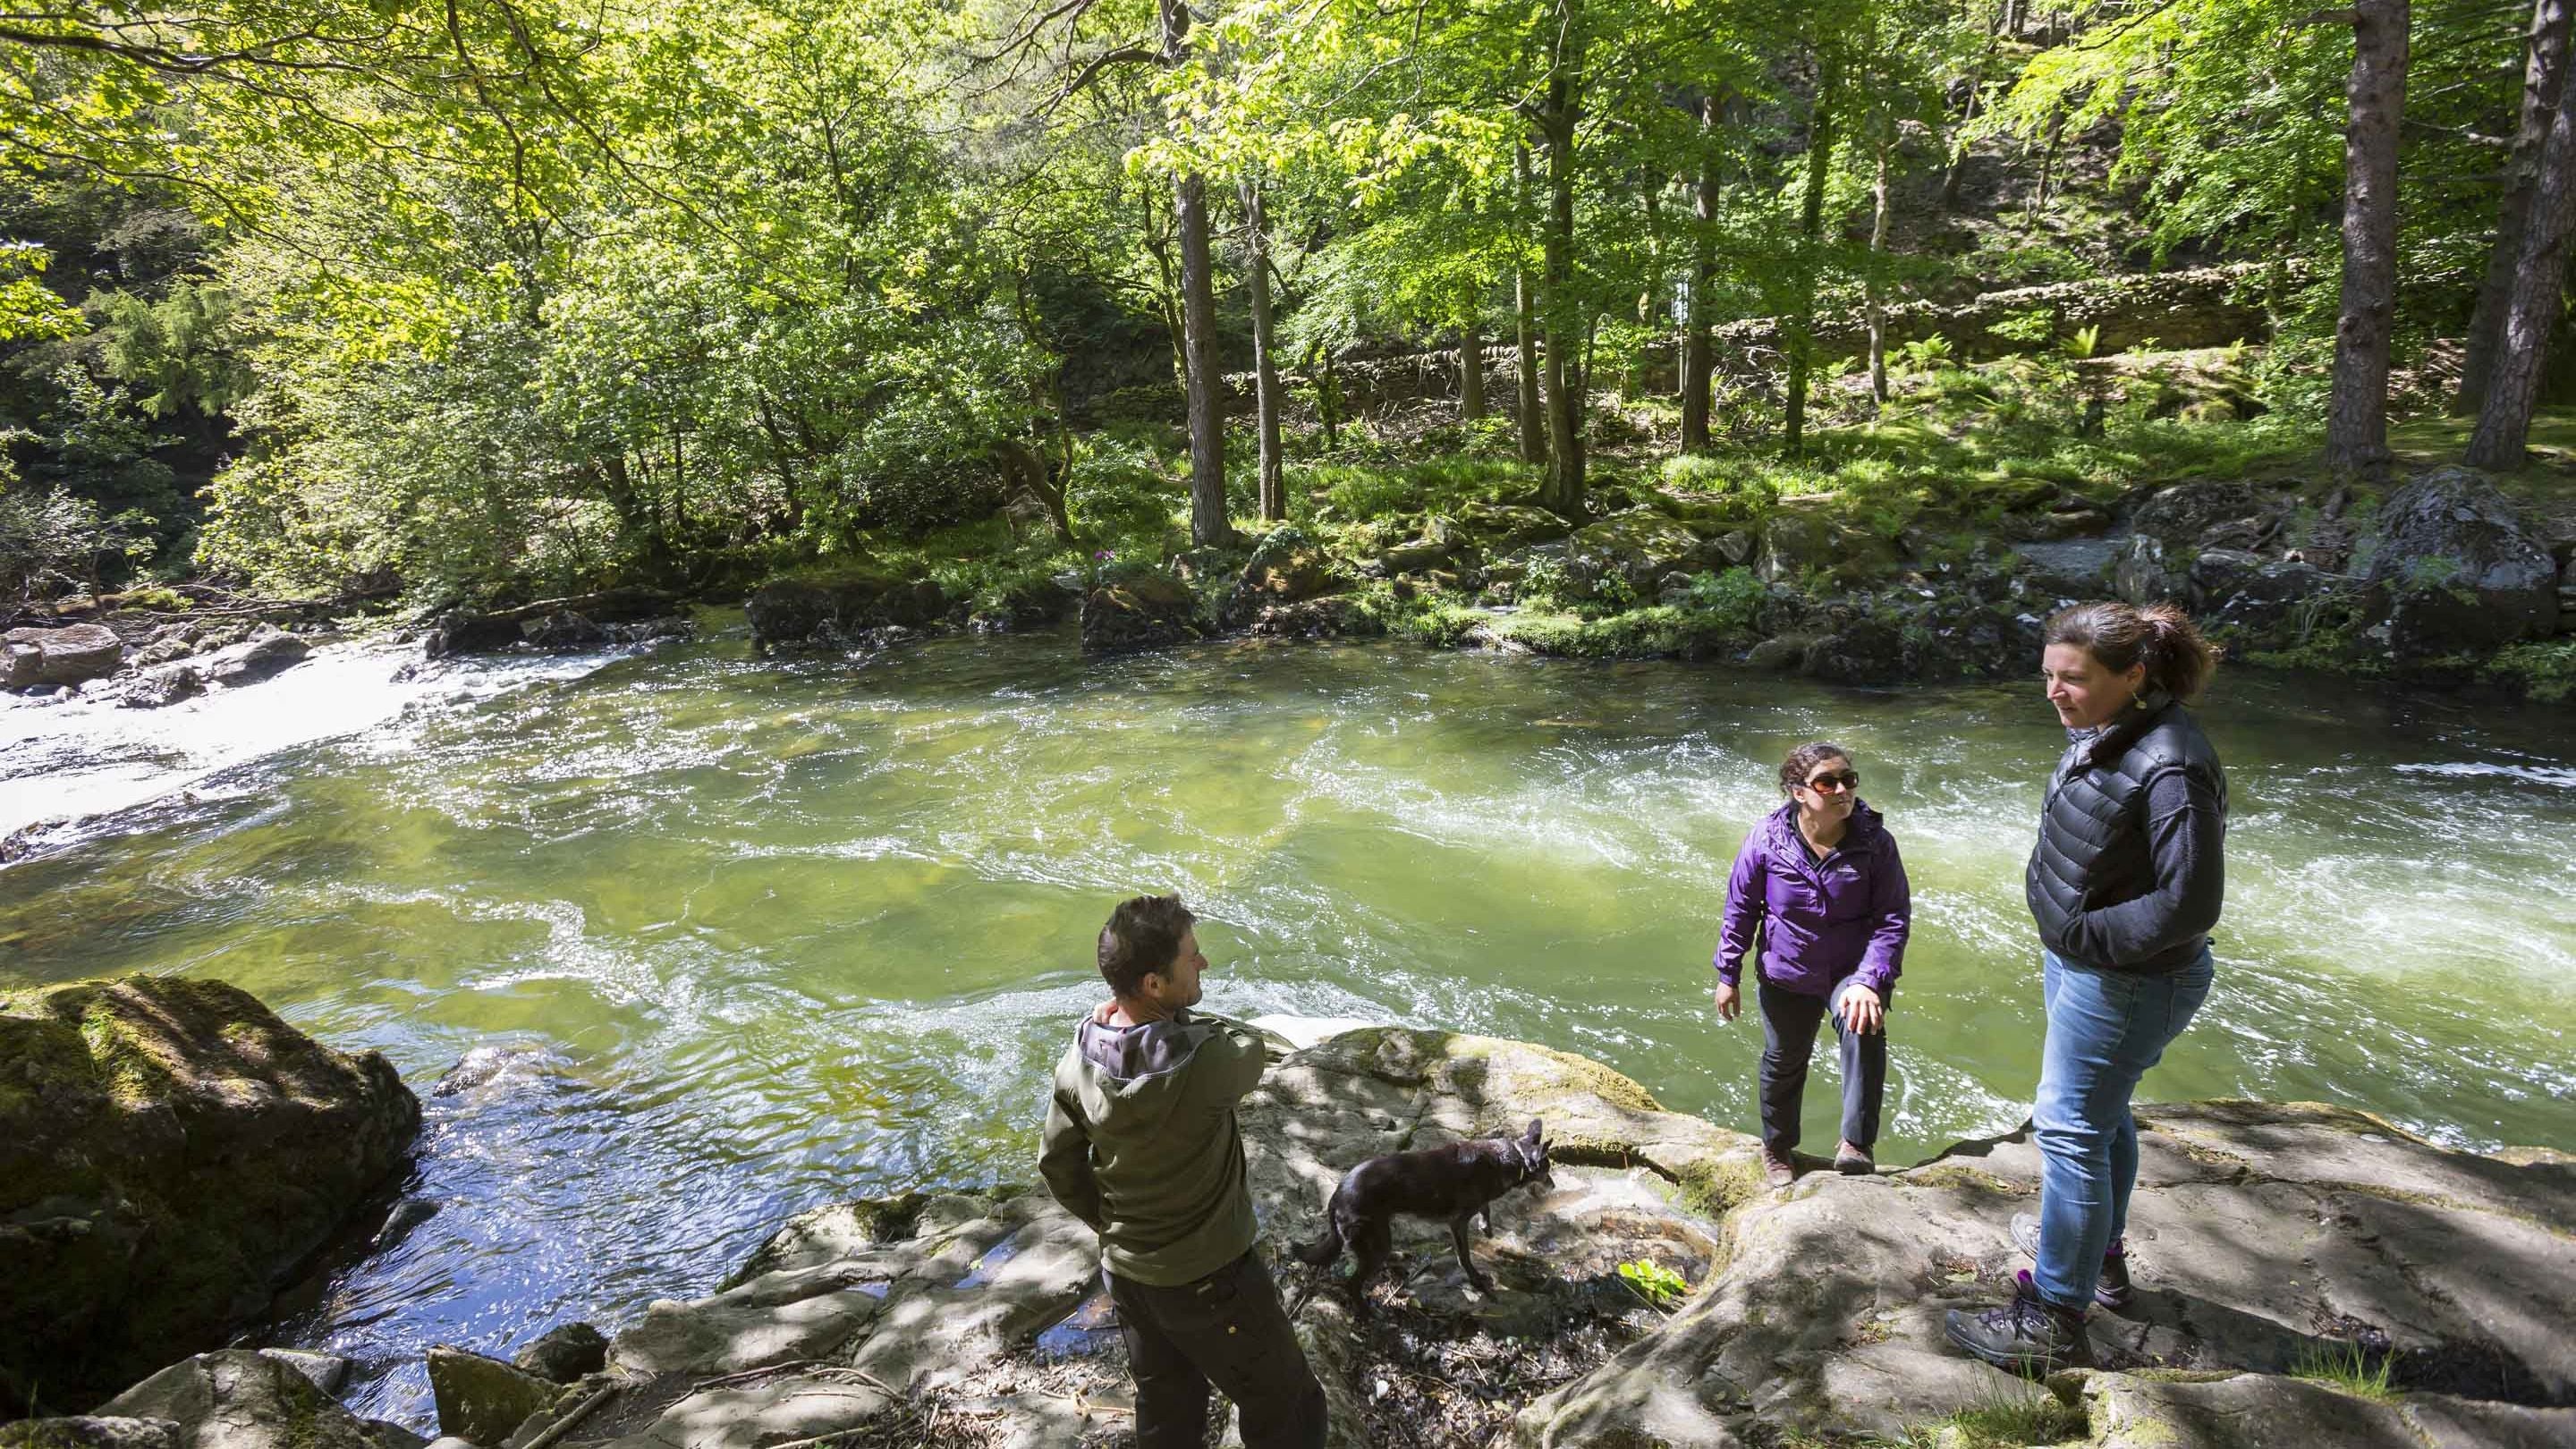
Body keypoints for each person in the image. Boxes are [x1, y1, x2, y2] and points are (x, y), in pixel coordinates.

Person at [1945, 601, 2227, 1373]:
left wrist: (2086, 938)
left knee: (2068, 1127)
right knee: (2101, 1120)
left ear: (2132, 677)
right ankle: (2098, 1255)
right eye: (2047, 675)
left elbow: (2192, 902)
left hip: (2125, 980)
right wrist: (2072, 938)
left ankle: (2052, 1319)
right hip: (2088, 966)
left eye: (2072, 678)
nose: (2054, 692)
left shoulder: (2171, 761)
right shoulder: (2111, 730)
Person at [1038, 894, 1328, 1449]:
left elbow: (1057, 1163)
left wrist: (1111, 1224)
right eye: (1191, 958)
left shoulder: (1078, 1060)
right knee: (1290, 1403)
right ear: (1153, 984)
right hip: (1211, 1280)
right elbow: (1250, 1044)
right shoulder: (1209, 1063)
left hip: (1127, 1274)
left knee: (1167, 1410)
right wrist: (1177, 1018)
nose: (1204, 965)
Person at [1713, 741, 1911, 1190]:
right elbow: (1741, 908)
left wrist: (1870, 980)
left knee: (1863, 1028)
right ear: (1799, 792)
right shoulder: (1766, 839)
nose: (1842, 789)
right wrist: (1729, 974)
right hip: (1787, 969)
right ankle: (1777, 1148)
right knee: (1783, 1059)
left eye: (1848, 779)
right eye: (1828, 782)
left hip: (1852, 971)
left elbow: (1893, 918)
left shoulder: (1875, 843)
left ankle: (1856, 1147)